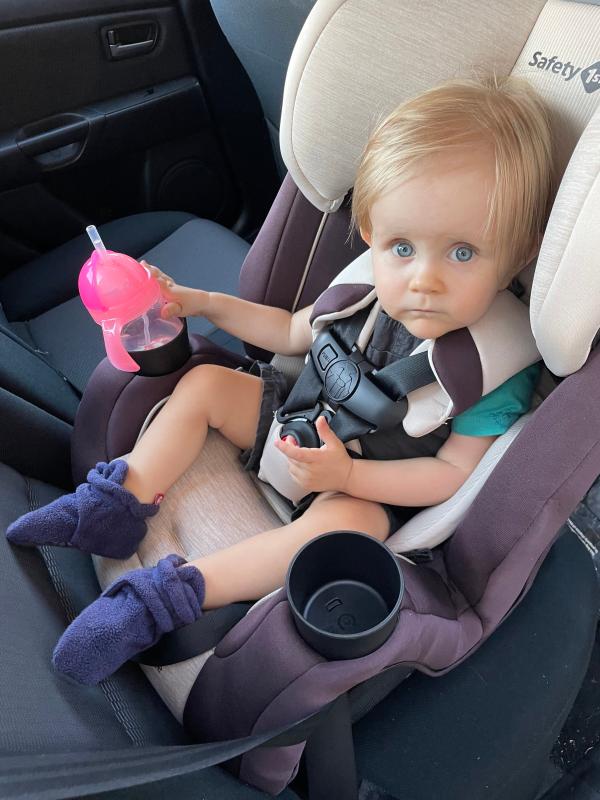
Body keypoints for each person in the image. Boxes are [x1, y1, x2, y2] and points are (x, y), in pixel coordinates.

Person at [6, 75, 554, 685]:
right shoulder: (367, 286)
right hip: (296, 420)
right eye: (403, 247)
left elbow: (451, 474)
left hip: (368, 486)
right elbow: (292, 331)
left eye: (462, 253)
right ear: (371, 232)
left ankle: (165, 597)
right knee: (207, 385)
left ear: (518, 253)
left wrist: (348, 477)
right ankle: (119, 503)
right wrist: (202, 302)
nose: (424, 279)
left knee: (350, 527)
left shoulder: (494, 365)